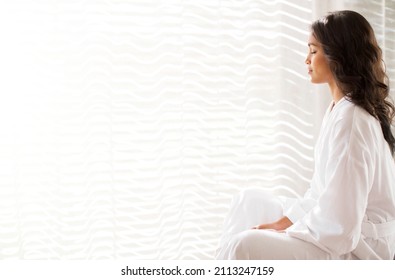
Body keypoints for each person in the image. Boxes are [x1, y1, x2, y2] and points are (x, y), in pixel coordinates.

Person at [215, 10, 395, 260]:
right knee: (248, 201)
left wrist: (289, 231)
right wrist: (284, 221)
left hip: (361, 248)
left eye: (313, 51)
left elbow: (341, 225)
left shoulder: (352, 119)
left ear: (337, 56)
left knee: (244, 246)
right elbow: (321, 193)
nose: (306, 60)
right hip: (341, 227)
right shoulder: (339, 110)